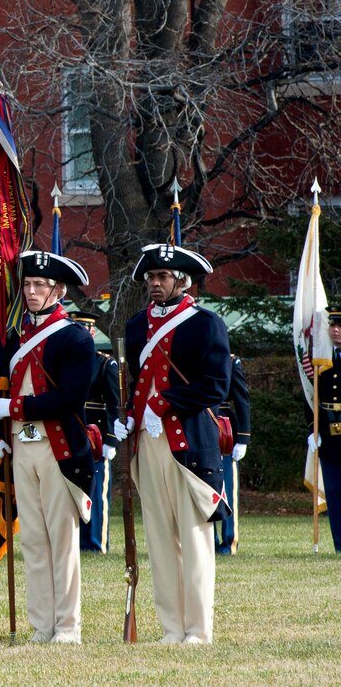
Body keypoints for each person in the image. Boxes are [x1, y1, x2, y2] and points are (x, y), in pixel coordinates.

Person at [113, 243, 232, 645]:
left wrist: (165, 403)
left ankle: (197, 630)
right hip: (148, 443)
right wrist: (128, 413)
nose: (155, 284)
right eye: (150, 277)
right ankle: (171, 628)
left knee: (194, 539)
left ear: (181, 281)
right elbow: (135, 382)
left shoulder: (204, 323)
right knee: (160, 540)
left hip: (188, 445)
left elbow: (216, 386)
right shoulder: (134, 326)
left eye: (163, 277)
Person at [0, 252, 95, 644]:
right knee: (33, 538)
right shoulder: (14, 337)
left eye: (40, 286)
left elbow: (70, 397)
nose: (31, 292)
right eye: (28, 285)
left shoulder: (75, 338)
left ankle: (67, 625)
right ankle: (41, 625)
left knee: (61, 539)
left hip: (58, 446)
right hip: (22, 445)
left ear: (59, 291)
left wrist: (17, 407)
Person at [67, 311, 120, 554]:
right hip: (71, 436)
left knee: (97, 493)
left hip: (96, 438)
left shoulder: (104, 364)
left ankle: (96, 542)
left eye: (84, 330)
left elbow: (114, 404)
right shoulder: (66, 362)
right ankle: (76, 541)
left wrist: (110, 440)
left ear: (91, 332)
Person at [307, 306, 341, 553]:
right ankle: (339, 544)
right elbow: (309, 395)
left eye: (340, 326)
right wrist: (312, 428)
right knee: (334, 492)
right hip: (328, 434)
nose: (336, 331)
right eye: (333, 326)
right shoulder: (320, 359)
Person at [216, 353, 251, 555]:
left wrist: (243, 438)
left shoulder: (230, 362)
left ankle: (229, 540)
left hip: (224, 429)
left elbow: (241, 400)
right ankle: (208, 540)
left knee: (227, 487)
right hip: (199, 426)